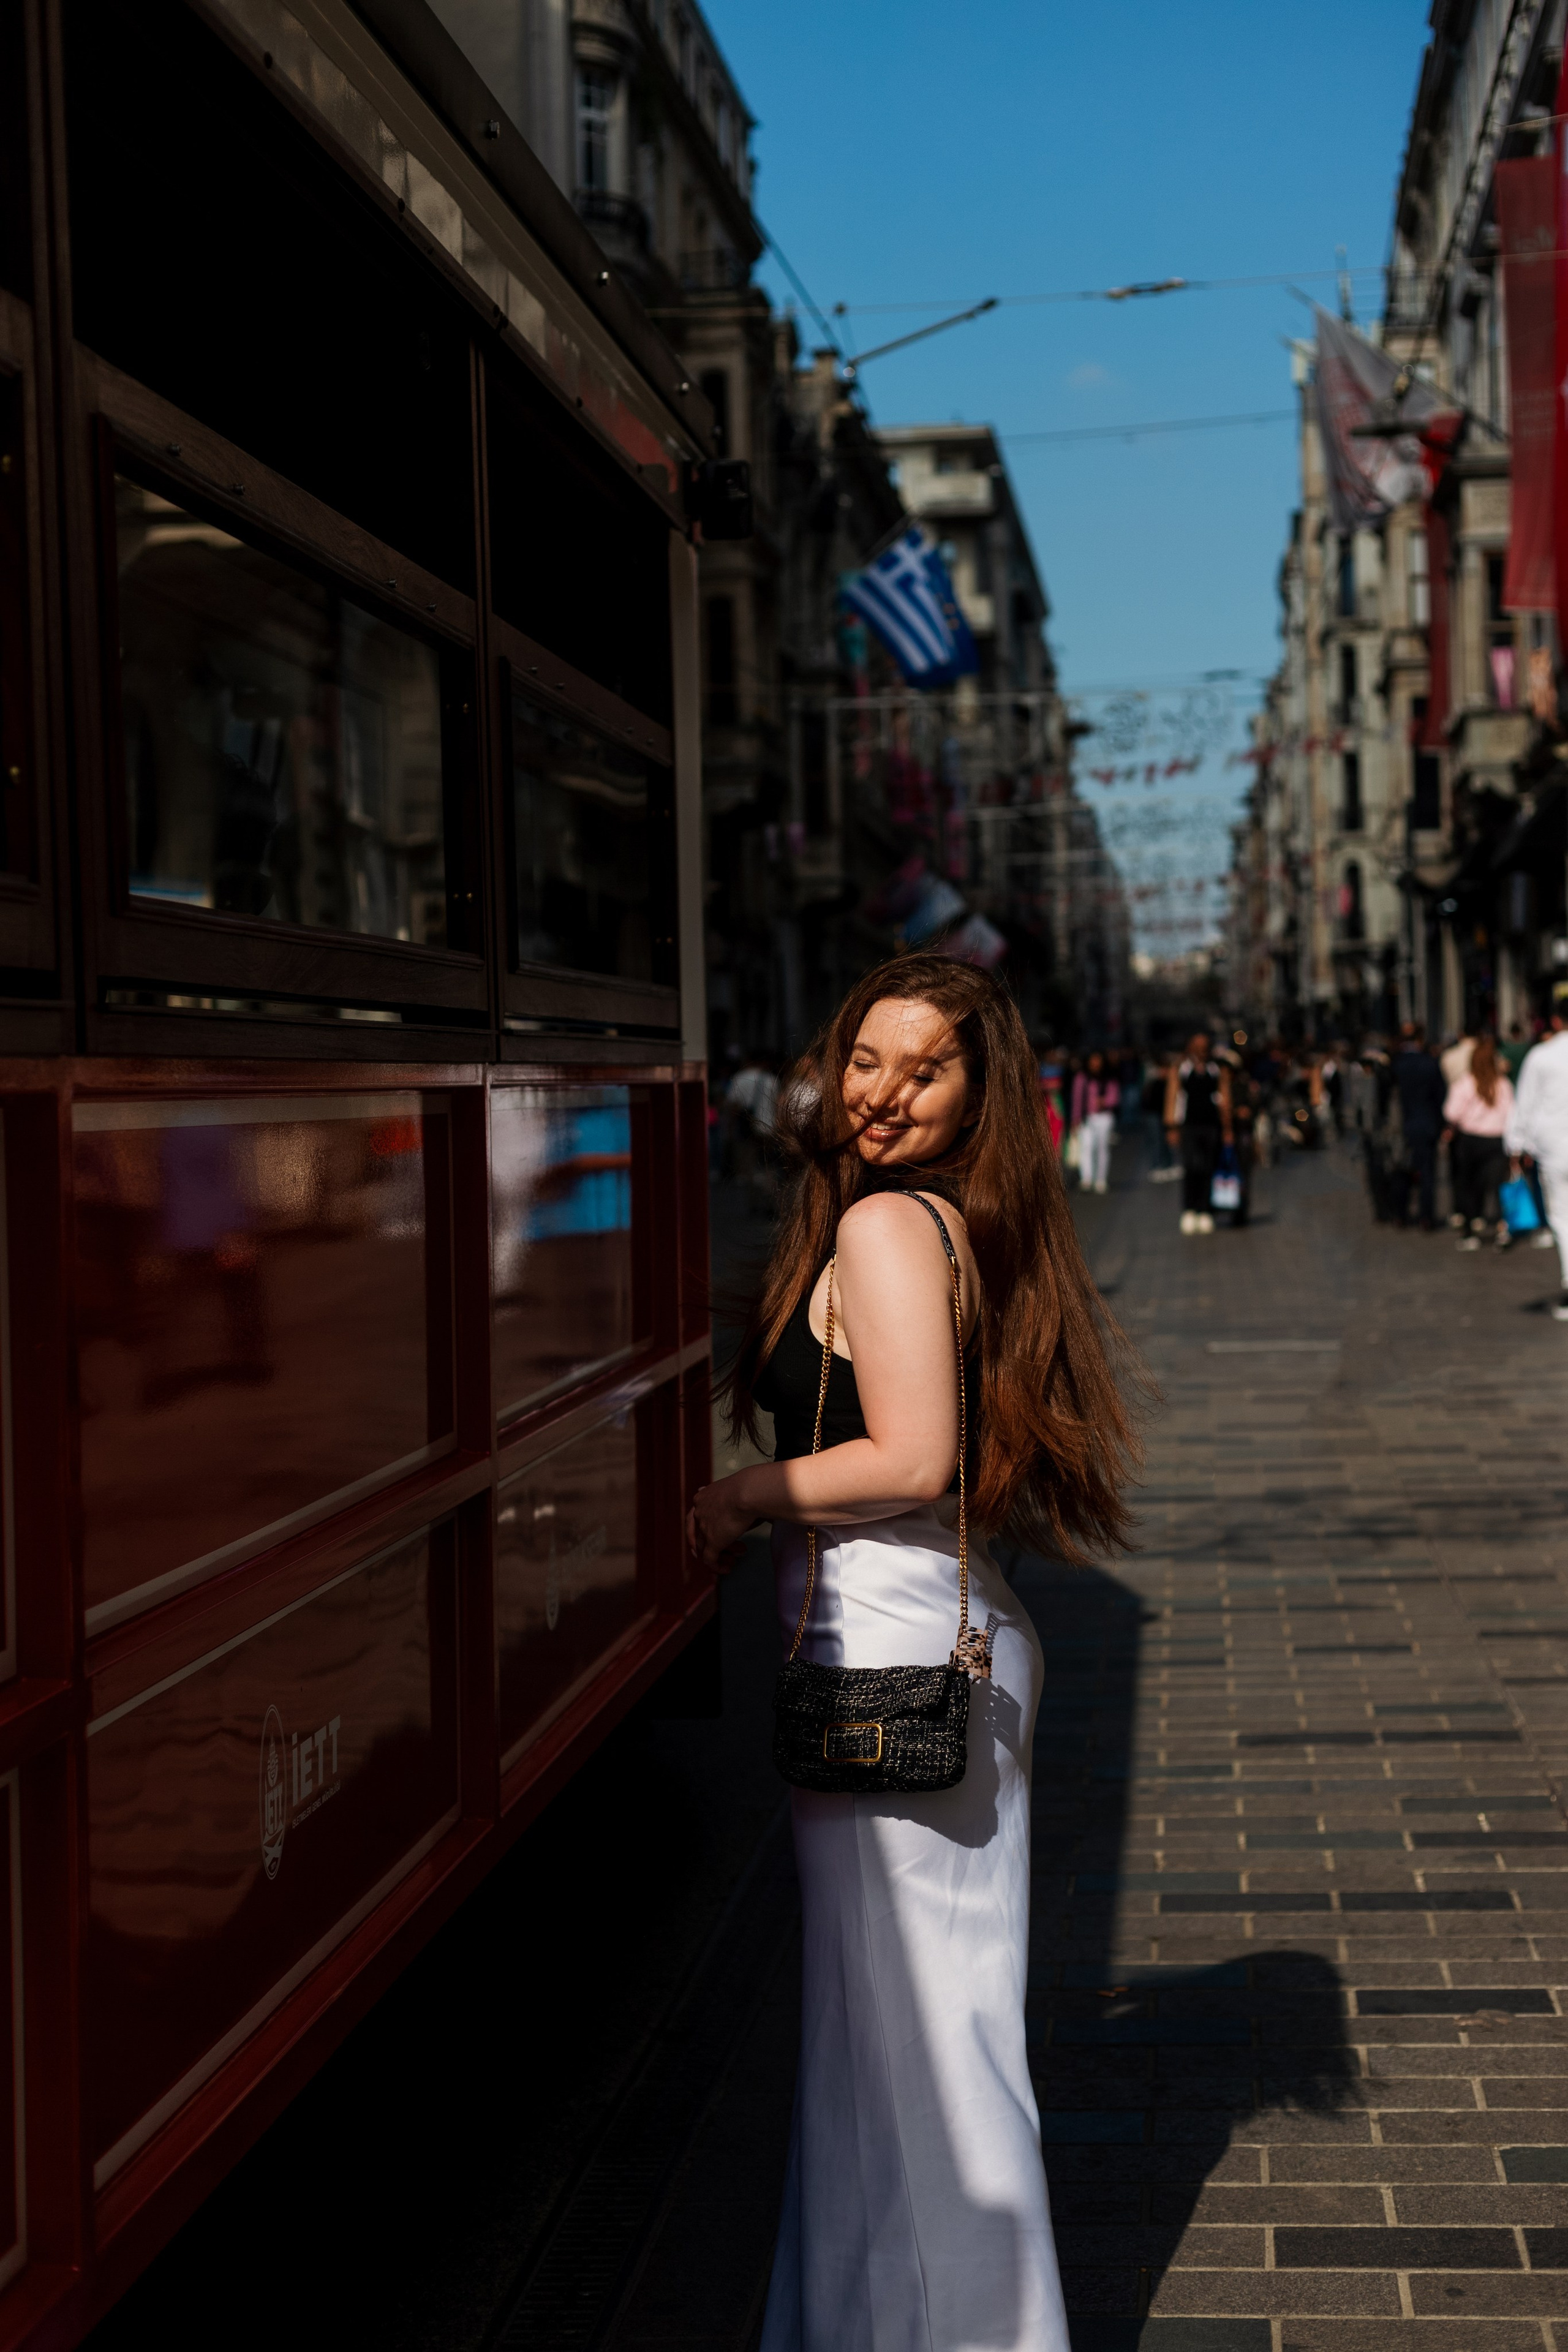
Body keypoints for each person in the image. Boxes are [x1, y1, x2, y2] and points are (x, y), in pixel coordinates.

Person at [689, 955, 1142, 2351]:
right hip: (928, 1625)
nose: (882, 1093)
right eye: (866, 1059)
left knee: (925, 2063)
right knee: (893, 2048)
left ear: (974, 1091)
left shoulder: (888, 1224)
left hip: (890, 1639)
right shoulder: (952, 1219)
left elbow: (912, 1455)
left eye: (923, 1068)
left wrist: (735, 1496)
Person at [1506, 1000, 1568, 1317]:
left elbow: (1525, 1102)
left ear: (1555, 1021)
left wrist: (1516, 1145)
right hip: (1554, 1146)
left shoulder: (1542, 1056)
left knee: (1562, 1217)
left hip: (1555, 1149)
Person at [1442, 1033, 1513, 1250]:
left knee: (1469, 1185)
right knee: (1499, 1186)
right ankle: (1503, 1228)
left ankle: (1471, 1230)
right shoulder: (1503, 1085)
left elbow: (1451, 1113)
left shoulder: (1465, 1084)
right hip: (1497, 1140)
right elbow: (1512, 1112)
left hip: (1470, 1140)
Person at [1164, 1031, 1233, 1235]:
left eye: (1205, 1045)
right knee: (1191, 1167)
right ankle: (1189, 1209)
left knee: (1208, 1168)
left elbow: (1225, 1099)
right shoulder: (1181, 1069)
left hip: (1211, 1126)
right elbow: (1172, 1098)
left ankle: (1205, 1210)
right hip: (1188, 1126)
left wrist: (1228, 1129)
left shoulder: (1217, 1069)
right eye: (1198, 1045)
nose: (1201, 1049)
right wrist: (1171, 1127)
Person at [1392, 1022, 1446, 1230]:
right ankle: (1426, 1217)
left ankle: (1400, 1214)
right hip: (1427, 1125)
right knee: (1427, 1173)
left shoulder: (1398, 1064)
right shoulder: (1429, 1063)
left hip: (1403, 1126)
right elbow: (1440, 1096)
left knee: (1402, 1170)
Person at [1071, 1048, 1119, 1193]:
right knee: (1087, 1147)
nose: (1095, 1064)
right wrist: (1075, 1119)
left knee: (1102, 1148)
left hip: (1104, 1117)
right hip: (1087, 1118)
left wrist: (1105, 1102)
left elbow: (1115, 1097)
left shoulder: (1109, 1078)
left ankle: (1101, 1180)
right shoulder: (1082, 1078)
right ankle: (1086, 1179)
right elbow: (1077, 1099)